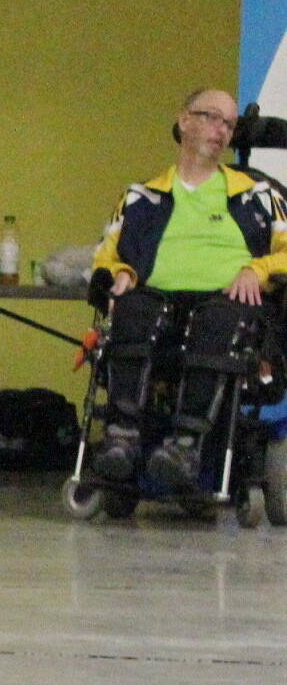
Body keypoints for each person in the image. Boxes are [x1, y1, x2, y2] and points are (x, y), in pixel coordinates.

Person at [88, 87, 287, 490]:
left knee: (220, 318)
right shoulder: (140, 196)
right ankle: (121, 437)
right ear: (183, 121)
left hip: (224, 301)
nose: (221, 130)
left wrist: (258, 269)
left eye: (229, 124)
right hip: (156, 298)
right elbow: (104, 256)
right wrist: (121, 272)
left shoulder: (257, 195)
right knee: (131, 308)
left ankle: (186, 444)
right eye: (212, 117)